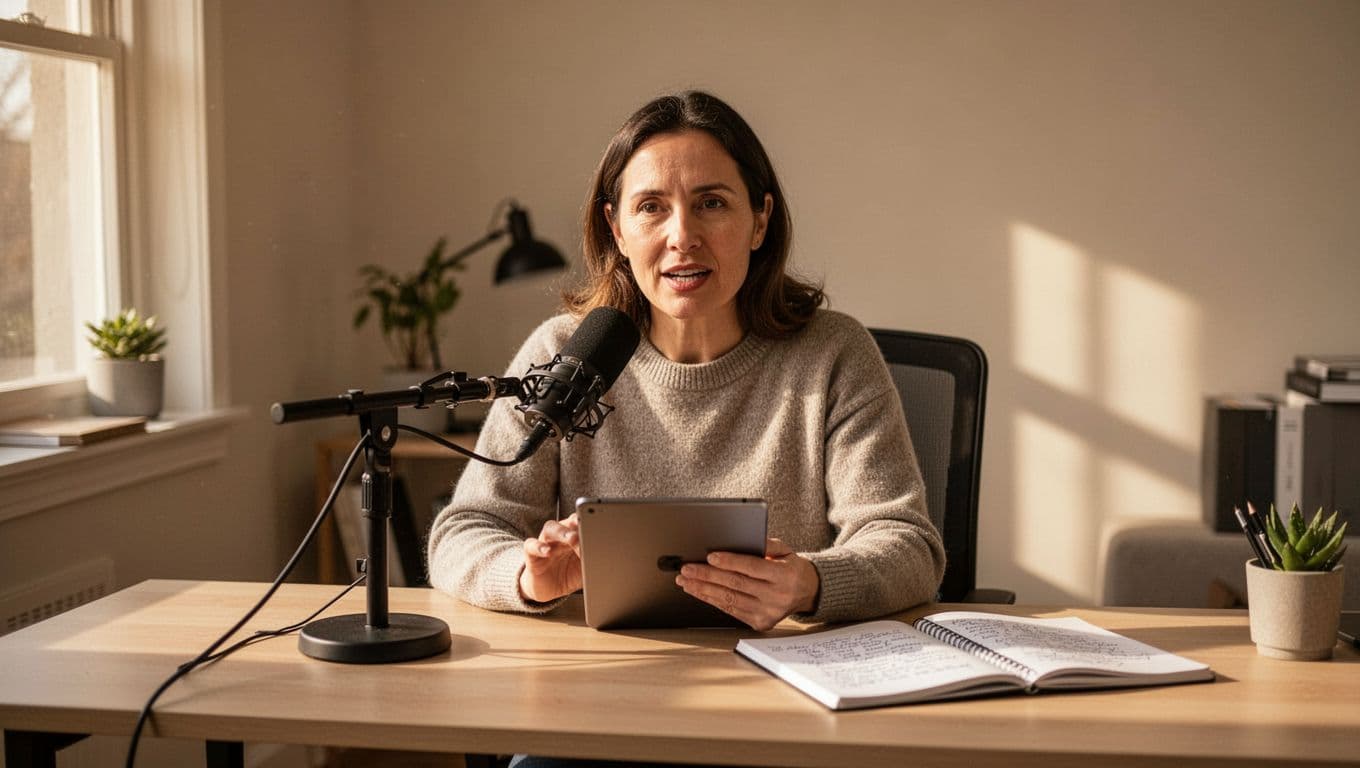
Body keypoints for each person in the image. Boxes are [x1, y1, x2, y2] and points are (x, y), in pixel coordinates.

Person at [427, 90, 944, 635]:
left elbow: (909, 546)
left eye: (711, 203)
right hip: (606, 665)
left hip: (785, 665)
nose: (682, 237)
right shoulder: (563, 354)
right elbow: (463, 532)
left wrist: (809, 583)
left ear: (760, 220)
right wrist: (527, 577)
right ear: (617, 229)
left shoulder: (834, 353)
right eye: (651, 207)